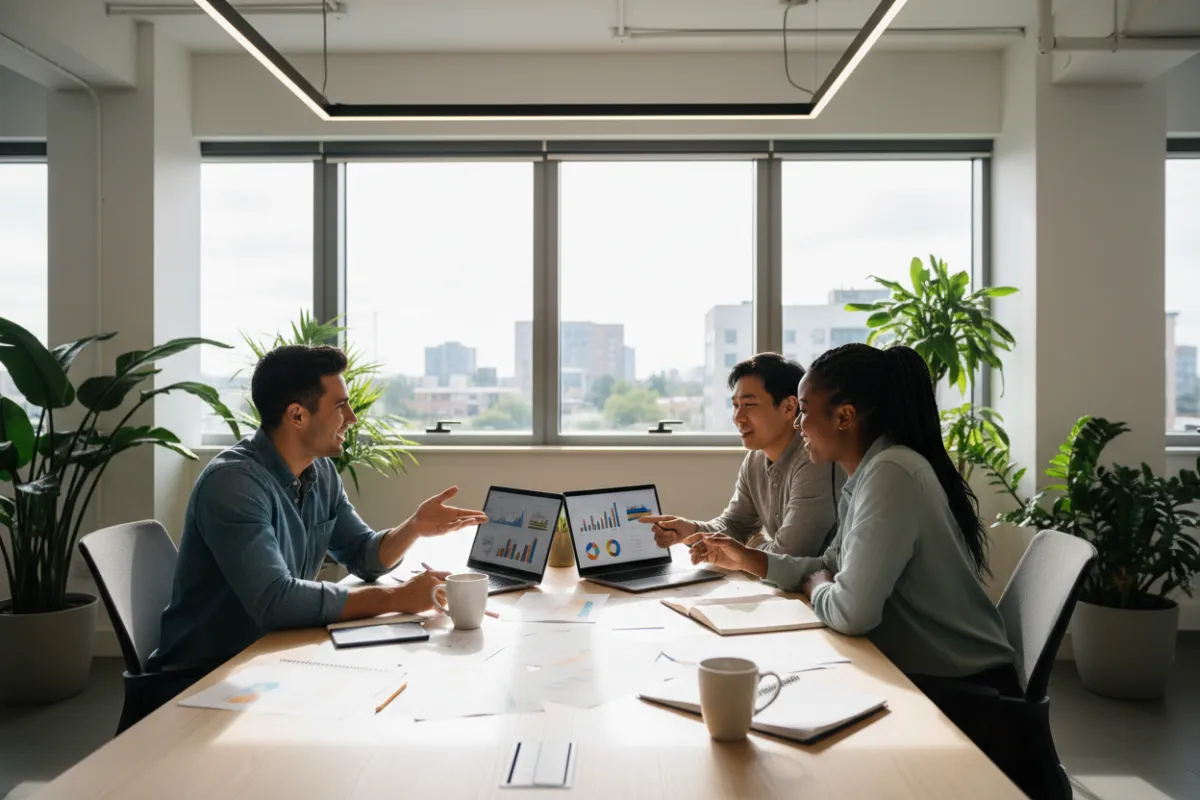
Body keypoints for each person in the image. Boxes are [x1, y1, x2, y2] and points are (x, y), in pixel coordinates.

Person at [688, 344, 1044, 792]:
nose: (799, 425)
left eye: (805, 412)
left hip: (969, 700)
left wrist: (818, 584)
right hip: (933, 675)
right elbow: (829, 564)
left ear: (844, 416)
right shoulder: (870, 472)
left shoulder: (891, 473)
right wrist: (750, 558)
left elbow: (852, 611)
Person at [148, 345, 487, 675]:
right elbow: (275, 601)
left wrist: (414, 527)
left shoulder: (319, 471)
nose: (352, 419)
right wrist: (398, 598)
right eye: (341, 406)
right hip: (202, 676)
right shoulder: (233, 484)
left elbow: (362, 555)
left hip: (272, 657)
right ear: (297, 415)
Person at [639, 353, 843, 558]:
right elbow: (735, 525)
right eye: (735, 405)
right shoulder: (755, 460)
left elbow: (790, 555)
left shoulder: (815, 458)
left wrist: (751, 543)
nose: (737, 418)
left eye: (749, 405)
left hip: (826, 584)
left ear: (789, 407)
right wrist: (691, 530)